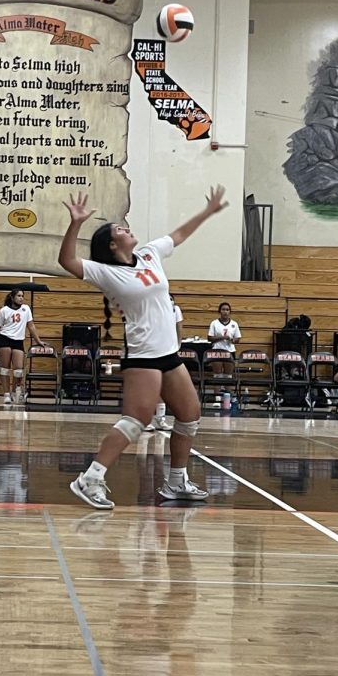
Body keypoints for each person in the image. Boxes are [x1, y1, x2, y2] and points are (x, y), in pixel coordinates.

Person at [58, 186, 228, 510]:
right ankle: (89, 478)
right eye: (119, 230)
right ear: (112, 244)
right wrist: (76, 223)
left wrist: (208, 212)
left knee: (189, 416)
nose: (126, 228)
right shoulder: (107, 273)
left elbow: (178, 234)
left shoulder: (150, 253)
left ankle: (176, 481)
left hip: (168, 354)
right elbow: (66, 260)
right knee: (135, 421)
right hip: (143, 356)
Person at [0, 289, 46, 404]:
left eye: (22, 296)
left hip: (18, 341)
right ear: (12, 298)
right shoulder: (4, 310)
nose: (21, 298)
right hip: (4, 339)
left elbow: (31, 326)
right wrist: (6, 334)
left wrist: (38, 340)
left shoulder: (26, 309)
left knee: (18, 370)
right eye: (18, 296)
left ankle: (14, 391)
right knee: (5, 369)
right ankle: (6, 394)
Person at [149, 293, 184, 431]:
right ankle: (147, 419)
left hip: (168, 350)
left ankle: (161, 419)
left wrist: (178, 344)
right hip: (152, 349)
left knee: (164, 385)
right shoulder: (153, 309)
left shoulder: (176, 309)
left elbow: (179, 326)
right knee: (151, 385)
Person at [207, 302, 241, 375]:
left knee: (228, 375)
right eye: (223, 309)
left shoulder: (234, 324)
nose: (225, 312)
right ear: (219, 311)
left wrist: (233, 340)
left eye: (227, 310)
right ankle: (218, 386)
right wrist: (222, 337)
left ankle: (227, 386)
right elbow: (209, 338)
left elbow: (238, 339)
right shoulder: (214, 323)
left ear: (230, 312)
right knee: (217, 375)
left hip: (230, 351)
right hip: (217, 351)